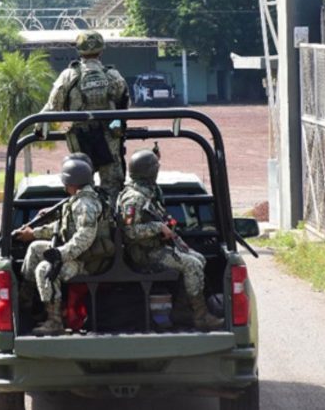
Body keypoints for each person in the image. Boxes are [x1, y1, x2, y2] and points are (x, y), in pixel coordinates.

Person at [116, 149, 223, 330]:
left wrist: (168, 226)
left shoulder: (148, 193)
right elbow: (129, 231)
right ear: (150, 172)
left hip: (155, 248)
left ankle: (181, 310)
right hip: (144, 254)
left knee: (199, 258)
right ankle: (201, 316)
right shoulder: (133, 199)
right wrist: (158, 227)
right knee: (192, 264)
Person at [38, 30, 129, 203]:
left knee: (81, 185)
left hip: (80, 139)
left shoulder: (68, 76)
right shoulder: (113, 76)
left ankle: (85, 212)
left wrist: (39, 127)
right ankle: (111, 216)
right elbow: (124, 105)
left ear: (79, 51)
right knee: (112, 187)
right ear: (101, 51)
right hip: (109, 138)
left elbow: (52, 107)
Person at [14, 157, 101, 336]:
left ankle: (54, 321)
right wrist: (33, 233)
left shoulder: (86, 205)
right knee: (35, 248)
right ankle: (28, 302)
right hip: (76, 255)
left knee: (45, 269)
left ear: (71, 182)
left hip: (87, 262)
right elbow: (62, 228)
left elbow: (84, 238)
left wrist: (59, 254)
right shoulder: (76, 200)